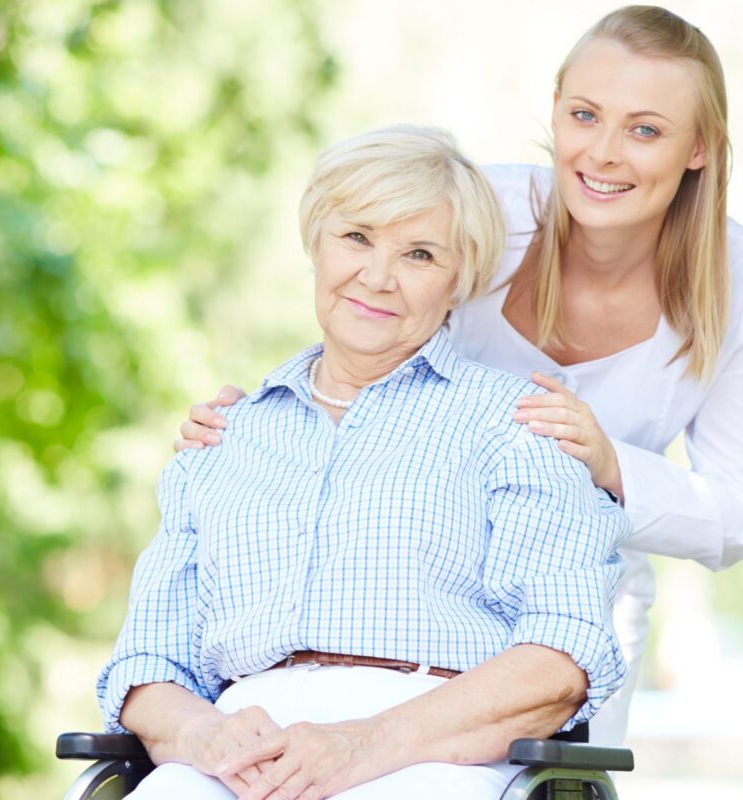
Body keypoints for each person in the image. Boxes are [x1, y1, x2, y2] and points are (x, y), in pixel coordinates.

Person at [174, 5, 743, 745]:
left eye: (646, 130)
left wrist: (606, 463)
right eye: (584, 114)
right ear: (556, 111)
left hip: (572, 602)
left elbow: (734, 514)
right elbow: (367, 315)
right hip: (408, 584)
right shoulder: (485, 210)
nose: (602, 153)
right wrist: (262, 425)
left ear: (701, 147)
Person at [97, 125, 629, 799]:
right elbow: (146, 663)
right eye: (356, 237)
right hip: (236, 751)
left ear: (458, 280)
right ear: (316, 241)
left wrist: (362, 744)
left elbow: (561, 657)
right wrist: (206, 736)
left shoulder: (516, 424)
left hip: (430, 750)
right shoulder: (223, 441)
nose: (377, 277)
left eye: (419, 254)